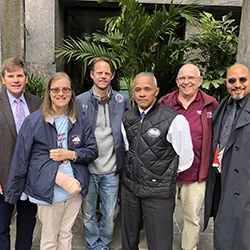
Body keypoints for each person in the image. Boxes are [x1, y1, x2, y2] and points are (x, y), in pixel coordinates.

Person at [4, 72, 98, 250]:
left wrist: (70, 154)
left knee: (66, 234)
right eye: (55, 90)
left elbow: (92, 151)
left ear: (71, 92)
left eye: (65, 89)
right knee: (49, 238)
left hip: (74, 190)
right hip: (48, 190)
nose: (60, 94)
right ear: (49, 92)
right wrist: (15, 190)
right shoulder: (33, 121)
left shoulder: (80, 120)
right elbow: (21, 157)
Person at [121, 72, 194, 250]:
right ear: (132, 93)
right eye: (137, 89)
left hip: (158, 192)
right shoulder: (127, 117)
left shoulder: (175, 119)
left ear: (156, 91)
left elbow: (185, 157)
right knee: (128, 240)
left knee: (159, 243)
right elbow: (128, 148)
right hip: (130, 188)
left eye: (147, 89)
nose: (142, 94)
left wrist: (162, 176)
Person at [159, 64, 218, 250]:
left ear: (200, 80)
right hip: (167, 173)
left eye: (191, 78)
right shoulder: (165, 103)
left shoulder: (211, 104)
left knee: (192, 217)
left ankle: (189, 248)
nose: (186, 82)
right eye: (182, 78)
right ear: (177, 81)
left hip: (196, 174)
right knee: (162, 216)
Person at [76, 57, 129, 250]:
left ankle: (104, 242)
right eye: (99, 72)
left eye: (107, 73)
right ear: (92, 74)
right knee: (88, 211)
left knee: (110, 211)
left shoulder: (122, 100)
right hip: (88, 168)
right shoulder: (79, 101)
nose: (103, 76)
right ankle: (93, 243)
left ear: (112, 76)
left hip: (111, 168)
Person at [204, 64, 250, 250]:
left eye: (242, 80)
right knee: (223, 233)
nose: (237, 84)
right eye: (232, 80)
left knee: (243, 237)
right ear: (226, 83)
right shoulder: (224, 104)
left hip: (245, 184)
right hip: (223, 179)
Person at [0, 57, 42, 250]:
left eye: (19, 75)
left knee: (27, 224)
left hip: (30, 179)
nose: (15, 80)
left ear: (26, 78)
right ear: (3, 79)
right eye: (11, 76)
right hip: (3, 178)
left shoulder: (38, 104)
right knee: (1, 227)